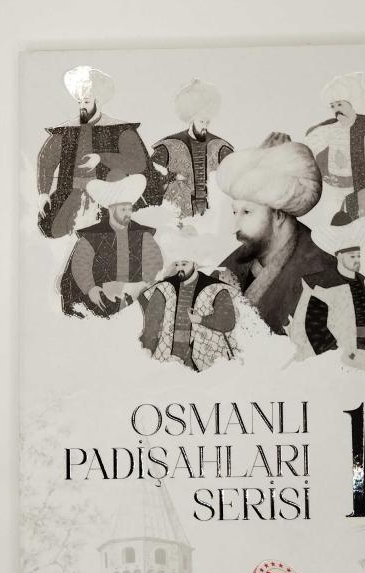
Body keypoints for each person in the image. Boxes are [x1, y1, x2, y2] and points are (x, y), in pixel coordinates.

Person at [216, 132, 332, 335]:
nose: (234, 227)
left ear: (278, 216)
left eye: (247, 212)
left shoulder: (327, 277)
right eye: (235, 212)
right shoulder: (230, 267)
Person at [37, 65, 161, 239]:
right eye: (80, 102)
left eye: (86, 102)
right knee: (53, 230)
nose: (82, 107)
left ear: (98, 102)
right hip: (71, 195)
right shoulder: (67, 130)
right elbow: (46, 160)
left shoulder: (119, 129)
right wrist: (43, 192)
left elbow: (138, 162)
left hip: (109, 196)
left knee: (107, 237)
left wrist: (101, 158)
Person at [289, 212, 365, 372]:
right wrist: (340, 353)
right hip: (337, 356)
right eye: (352, 256)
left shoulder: (364, 283)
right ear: (340, 256)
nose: (357, 260)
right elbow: (314, 330)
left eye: (358, 256)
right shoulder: (322, 286)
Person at [60, 173, 163, 318]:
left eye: (129, 209)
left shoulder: (142, 235)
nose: (128, 214)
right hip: (100, 299)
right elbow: (80, 264)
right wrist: (90, 288)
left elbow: (154, 262)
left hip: (134, 299)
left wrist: (140, 286)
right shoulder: (91, 237)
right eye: (123, 210)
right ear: (111, 210)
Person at [139, 228, 239, 371]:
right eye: (177, 264)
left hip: (203, 362)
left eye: (184, 264)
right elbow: (151, 324)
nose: (180, 269)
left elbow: (228, 321)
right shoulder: (164, 288)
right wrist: (146, 352)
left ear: (195, 264)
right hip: (167, 360)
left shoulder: (215, 288)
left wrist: (200, 319)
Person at [305, 72, 365, 229]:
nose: (336, 110)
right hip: (334, 188)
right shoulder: (327, 128)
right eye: (333, 106)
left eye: (340, 104)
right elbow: (310, 148)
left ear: (353, 103)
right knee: (335, 223)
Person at [151, 79, 233, 219]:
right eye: (201, 121)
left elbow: (234, 179)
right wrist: (173, 177)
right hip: (176, 214)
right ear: (191, 119)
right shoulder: (168, 145)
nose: (204, 126)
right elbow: (150, 175)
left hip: (212, 215)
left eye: (207, 122)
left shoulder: (221, 147)